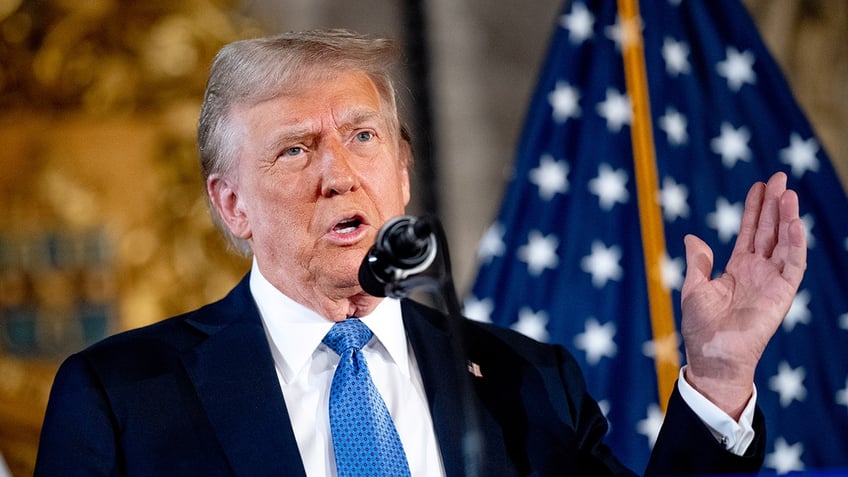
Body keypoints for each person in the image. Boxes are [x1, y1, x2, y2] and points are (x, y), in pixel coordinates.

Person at [34, 29, 807, 476]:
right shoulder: (123, 398)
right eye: (296, 150)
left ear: (402, 172)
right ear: (230, 202)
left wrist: (718, 377)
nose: (339, 173)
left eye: (361, 136)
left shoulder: (527, 383)